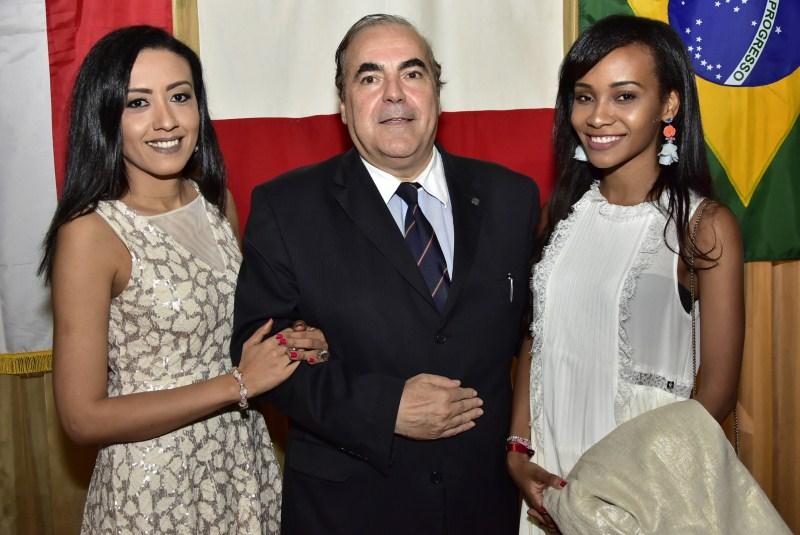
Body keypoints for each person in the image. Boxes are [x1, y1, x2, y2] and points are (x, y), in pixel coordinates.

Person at [231, 13, 540, 534]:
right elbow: (256, 358)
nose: (394, 94)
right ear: (344, 103)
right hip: (349, 511)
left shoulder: (513, 198)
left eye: (412, 73)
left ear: (437, 91)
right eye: (370, 77)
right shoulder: (286, 208)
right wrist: (385, 409)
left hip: (482, 506)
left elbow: (535, 337)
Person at [39, 26, 327, 534]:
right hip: (153, 490)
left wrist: (290, 345)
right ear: (105, 115)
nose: (166, 120)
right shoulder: (90, 233)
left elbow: (228, 334)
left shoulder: (215, 202)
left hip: (240, 465)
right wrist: (238, 384)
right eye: (138, 103)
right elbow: (82, 418)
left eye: (179, 96)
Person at [506, 15, 744, 534]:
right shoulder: (559, 218)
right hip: (551, 473)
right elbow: (535, 338)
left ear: (669, 105)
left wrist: (621, 488)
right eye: (584, 96)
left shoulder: (703, 227)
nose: (598, 116)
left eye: (625, 96)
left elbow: (717, 394)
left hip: (647, 487)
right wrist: (518, 450)